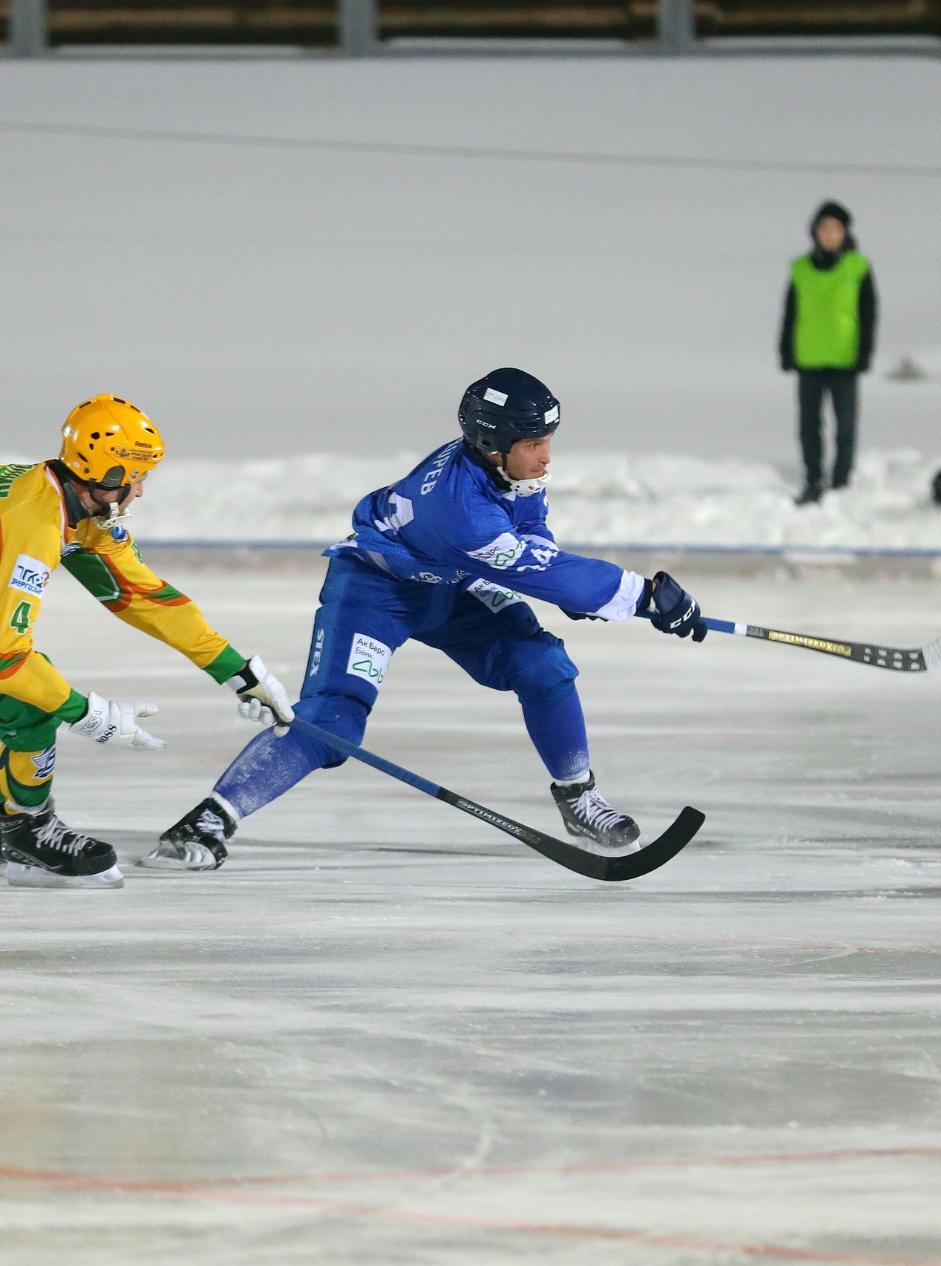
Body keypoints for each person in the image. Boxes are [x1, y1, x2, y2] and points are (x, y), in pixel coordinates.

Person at [148, 368, 707, 870]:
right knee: (335, 721)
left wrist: (569, 588)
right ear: (494, 445)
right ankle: (212, 817)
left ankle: (578, 796)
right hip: (377, 591)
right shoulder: (460, 511)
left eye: (547, 442)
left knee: (542, 662)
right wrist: (642, 594)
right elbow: (521, 558)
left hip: (453, 583)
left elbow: (531, 537)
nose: (545, 457)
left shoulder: (508, 468)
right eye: (535, 444)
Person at [0, 396, 292, 888]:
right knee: (29, 694)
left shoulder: (74, 505)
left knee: (26, 692)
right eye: (139, 477)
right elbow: (6, 656)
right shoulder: (34, 521)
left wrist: (237, 671)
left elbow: (142, 596)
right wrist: (85, 712)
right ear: (111, 476)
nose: (141, 490)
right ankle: (24, 832)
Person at [779, 200, 878, 505]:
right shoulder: (800, 269)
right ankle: (813, 478)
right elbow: (790, 313)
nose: (829, 234)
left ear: (844, 233)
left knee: (844, 424)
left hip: (844, 360)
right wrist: (786, 349)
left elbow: (868, 312)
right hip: (808, 358)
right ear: (815, 232)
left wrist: (864, 353)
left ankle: (841, 481)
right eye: (824, 228)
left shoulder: (857, 267)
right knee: (809, 425)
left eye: (835, 229)